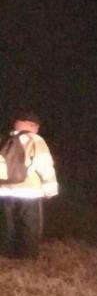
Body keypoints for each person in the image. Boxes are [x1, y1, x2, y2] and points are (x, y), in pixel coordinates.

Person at [0, 111, 58, 259]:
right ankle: (27, 258)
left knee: (7, 225)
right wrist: (50, 189)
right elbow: (44, 165)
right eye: (37, 126)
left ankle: (6, 256)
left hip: (4, 191)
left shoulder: (5, 139)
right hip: (29, 191)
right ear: (32, 125)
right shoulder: (35, 140)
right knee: (29, 226)